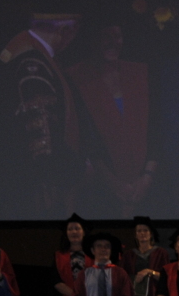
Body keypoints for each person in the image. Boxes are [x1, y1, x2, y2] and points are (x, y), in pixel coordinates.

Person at [0, 0, 83, 215]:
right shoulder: (32, 63)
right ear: (65, 30)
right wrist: (73, 169)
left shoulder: (26, 51)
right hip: (32, 186)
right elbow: (41, 137)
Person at [65, 22, 156, 216]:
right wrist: (114, 184)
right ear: (92, 41)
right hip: (101, 188)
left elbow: (156, 130)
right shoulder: (76, 79)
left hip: (146, 184)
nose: (113, 43)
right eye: (106, 37)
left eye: (117, 37)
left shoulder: (140, 73)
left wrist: (147, 177)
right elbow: (85, 139)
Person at [69, 231, 133, 296]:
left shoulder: (120, 273)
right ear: (92, 250)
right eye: (99, 246)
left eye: (107, 246)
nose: (103, 249)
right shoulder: (83, 275)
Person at [124, 215, 172, 296]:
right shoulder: (129, 255)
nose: (142, 233)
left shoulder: (161, 253)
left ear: (151, 234)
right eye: (139, 231)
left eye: (145, 230)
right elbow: (123, 278)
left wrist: (150, 272)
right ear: (135, 235)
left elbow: (168, 278)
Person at [53, 213, 89, 296]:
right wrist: (76, 295)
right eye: (70, 229)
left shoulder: (94, 255)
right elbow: (56, 281)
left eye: (77, 228)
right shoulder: (59, 256)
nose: (74, 232)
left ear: (84, 232)